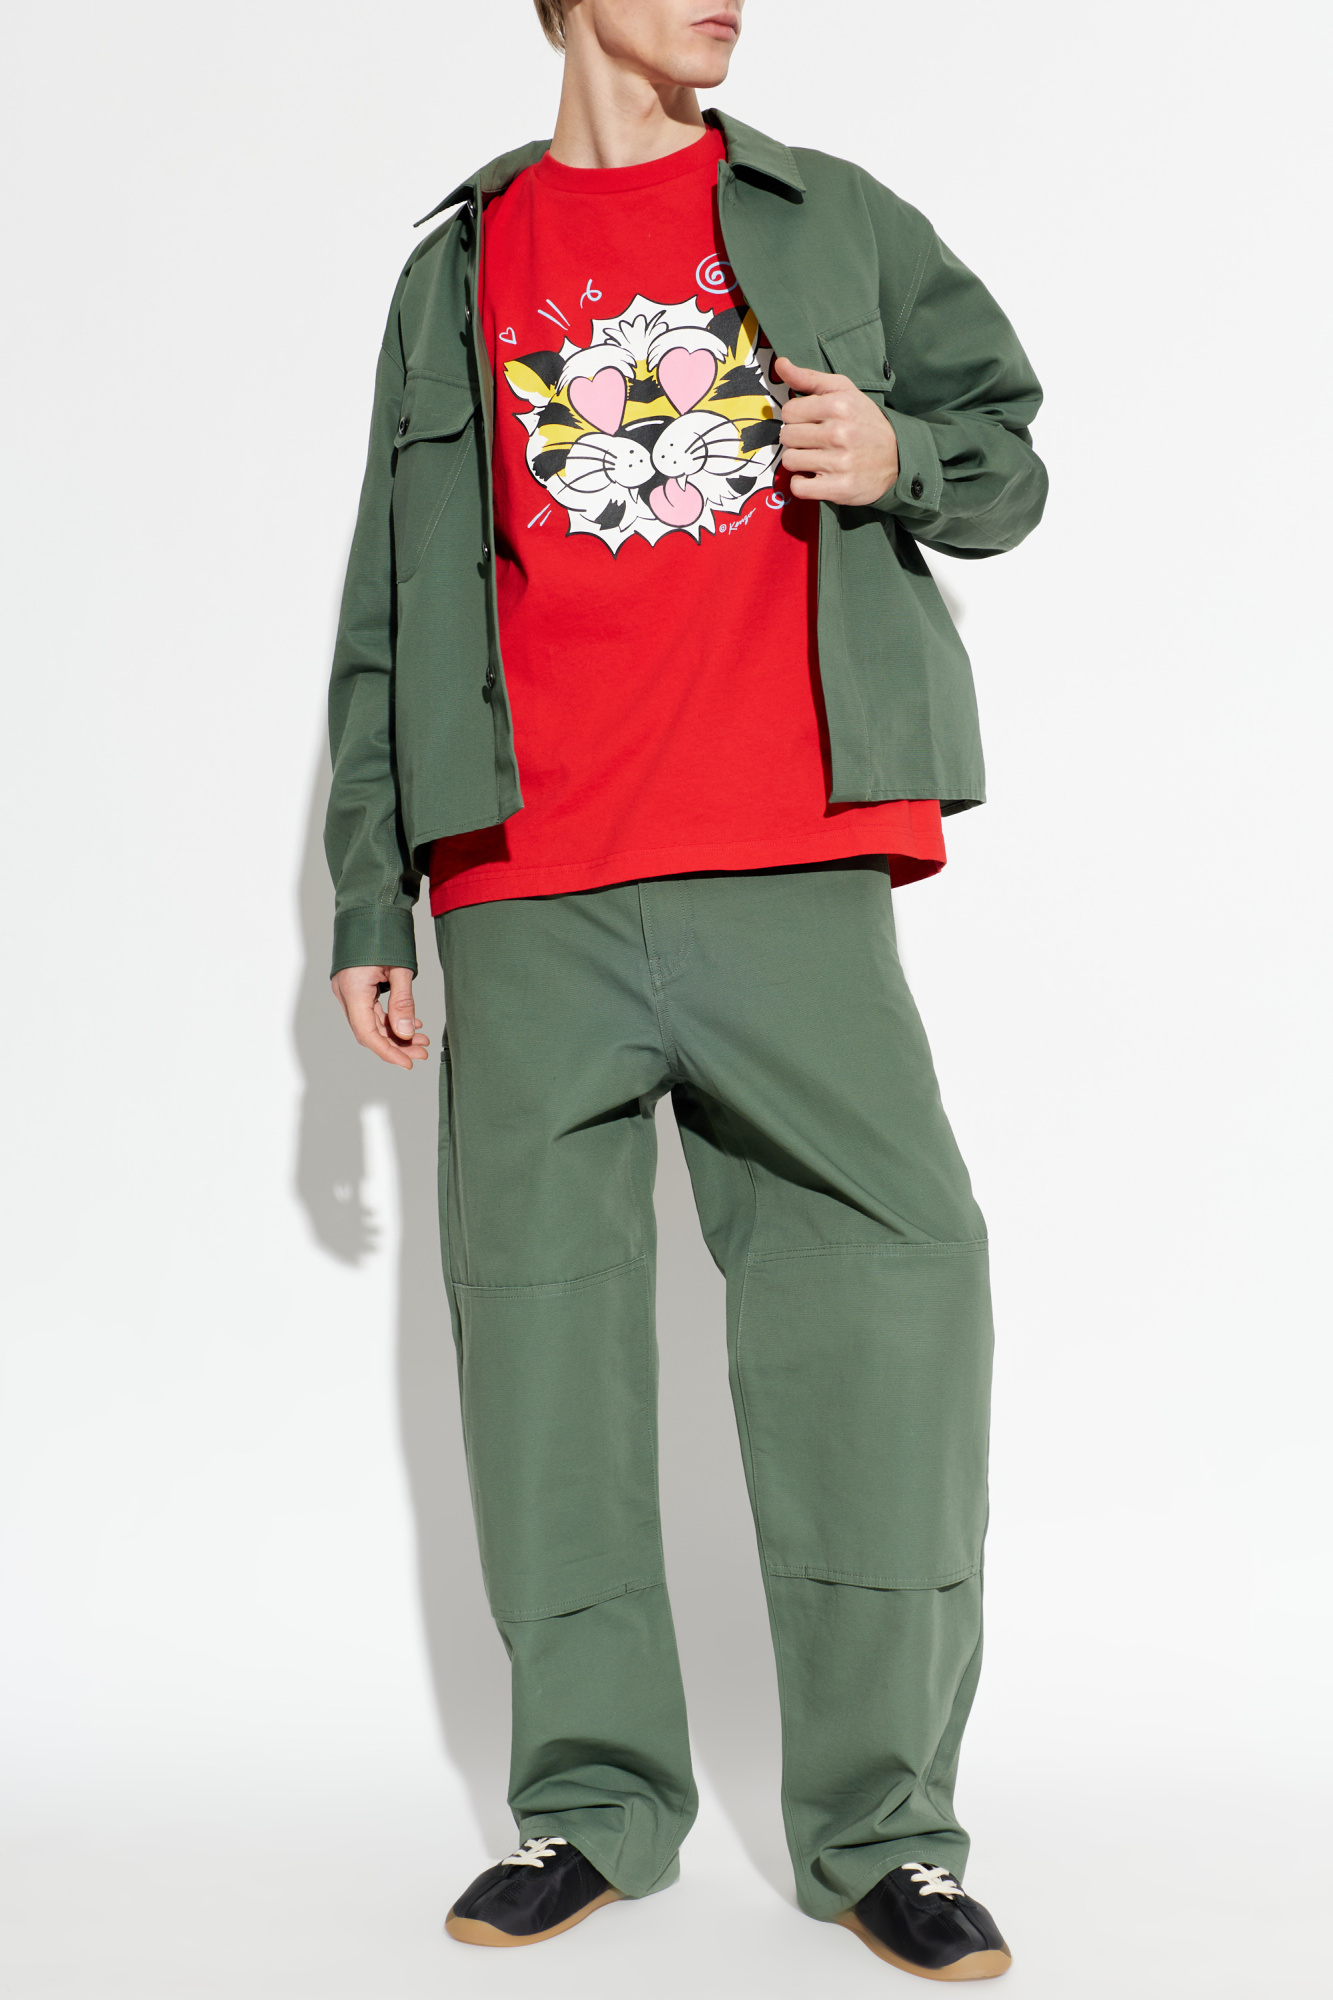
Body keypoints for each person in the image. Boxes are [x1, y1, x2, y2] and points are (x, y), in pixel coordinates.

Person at [324, 0, 1045, 1980]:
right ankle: (590, 1804)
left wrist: (898, 454)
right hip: (521, 882)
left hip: (785, 853)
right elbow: (390, 589)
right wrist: (370, 890)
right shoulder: (456, 268)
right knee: (540, 1350)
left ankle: (883, 1832)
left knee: (889, 1303)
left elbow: (1004, 458)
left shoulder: (834, 216)